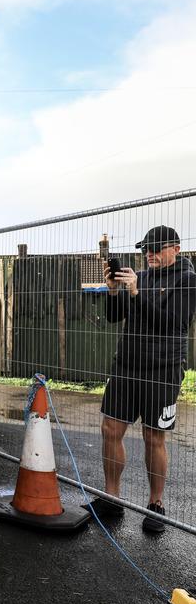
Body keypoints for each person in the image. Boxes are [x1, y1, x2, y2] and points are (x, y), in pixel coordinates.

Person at [95, 225, 196, 532]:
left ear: (176, 249)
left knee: (154, 436)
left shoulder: (189, 280)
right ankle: (111, 498)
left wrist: (136, 292)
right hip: (127, 366)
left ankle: (156, 505)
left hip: (162, 369)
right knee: (111, 429)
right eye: (145, 250)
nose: (149, 255)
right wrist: (114, 291)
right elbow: (115, 317)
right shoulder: (143, 275)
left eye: (156, 249)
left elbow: (171, 324)